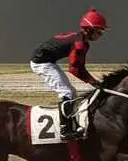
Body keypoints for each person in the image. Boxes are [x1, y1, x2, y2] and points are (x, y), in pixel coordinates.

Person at [29, 8, 108, 140]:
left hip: (49, 61)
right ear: (89, 29)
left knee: (72, 92)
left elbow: (78, 67)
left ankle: (73, 125)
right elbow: (75, 68)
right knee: (66, 93)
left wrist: (92, 81)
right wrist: (93, 82)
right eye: (99, 31)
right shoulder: (79, 44)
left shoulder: (81, 40)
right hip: (41, 63)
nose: (101, 34)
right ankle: (65, 130)